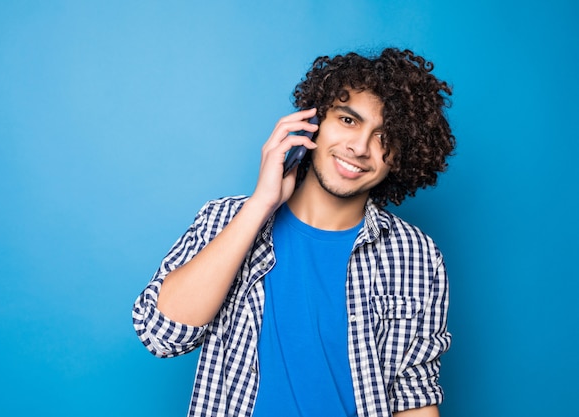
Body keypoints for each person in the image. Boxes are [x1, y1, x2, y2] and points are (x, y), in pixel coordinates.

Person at [132, 47, 455, 417]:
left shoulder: (415, 255)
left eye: (384, 137)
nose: (360, 148)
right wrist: (260, 205)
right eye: (348, 121)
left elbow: (413, 395)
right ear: (313, 122)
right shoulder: (225, 218)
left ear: (401, 155)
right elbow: (161, 335)